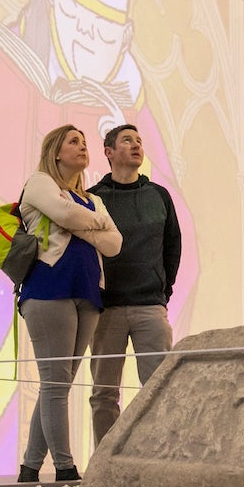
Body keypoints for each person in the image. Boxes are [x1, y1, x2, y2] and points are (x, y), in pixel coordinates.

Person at [17, 126, 121, 484]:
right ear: (56, 151)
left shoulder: (93, 199)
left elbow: (115, 243)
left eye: (84, 142)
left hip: (88, 293)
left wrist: (78, 219)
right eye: (73, 141)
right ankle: (65, 469)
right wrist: (93, 224)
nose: (82, 147)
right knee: (56, 385)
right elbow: (65, 216)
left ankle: (30, 468)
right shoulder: (39, 182)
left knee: (55, 385)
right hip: (49, 290)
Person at [86, 123, 181, 442]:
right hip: (106, 309)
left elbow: (172, 247)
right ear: (109, 152)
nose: (137, 145)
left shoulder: (159, 195)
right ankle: (104, 468)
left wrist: (161, 291)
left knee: (159, 390)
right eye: (127, 141)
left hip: (150, 307)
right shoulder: (93, 199)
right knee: (103, 394)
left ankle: (155, 462)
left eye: (139, 140)